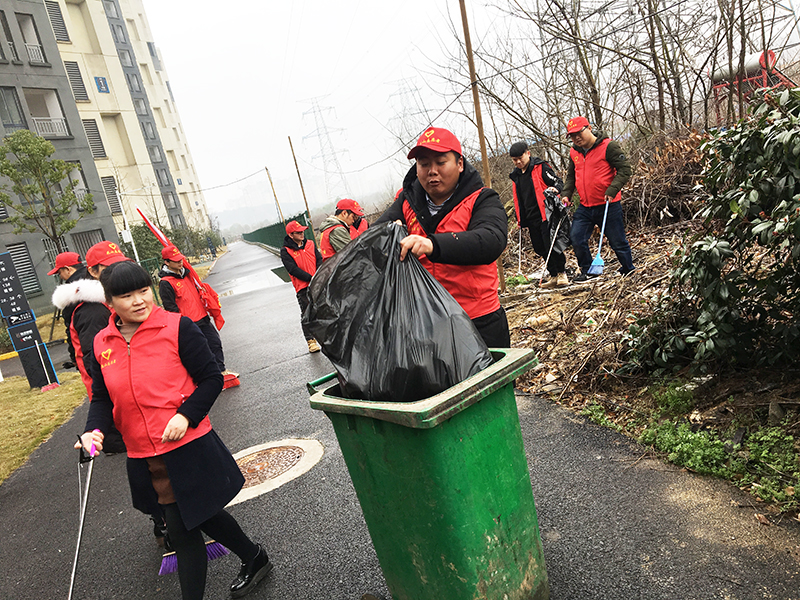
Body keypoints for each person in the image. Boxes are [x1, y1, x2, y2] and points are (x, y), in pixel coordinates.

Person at [76, 261, 271, 600]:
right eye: (127, 295)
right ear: (109, 302)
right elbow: (102, 398)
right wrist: (93, 431)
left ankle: (248, 562)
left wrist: (186, 415)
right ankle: (255, 556)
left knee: (182, 530)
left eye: (143, 290)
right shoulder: (101, 343)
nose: (139, 300)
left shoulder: (177, 328)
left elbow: (211, 378)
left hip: (187, 446)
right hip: (144, 454)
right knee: (203, 516)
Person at [375, 126, 510, 348]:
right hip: (426, 324)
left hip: (478, 320)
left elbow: (490, 240)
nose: (432, 171)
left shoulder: (482, 199)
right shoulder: (407, 203)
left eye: (440, 162)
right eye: (424, 164)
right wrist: (386, 235)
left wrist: (432, 245)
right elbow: (374, 237)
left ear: (460, 164)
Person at [560, 116, 635, 282]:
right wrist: (566, 194)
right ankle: (587, 271)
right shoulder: (574, 152)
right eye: (572, 136)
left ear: (589, 128)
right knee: (577, 238)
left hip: (608, 204)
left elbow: (625, 170)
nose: (576, 138)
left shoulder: (609, 146)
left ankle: (628, 269)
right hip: (585, 206)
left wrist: (612, 189)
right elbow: (571, 176)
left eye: (579, 133)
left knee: (617, 241)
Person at [159, 245, 228, 375]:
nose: (180, 262)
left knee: (215, 343)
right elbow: (171, 308)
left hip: (203, 317)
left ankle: (222, 372)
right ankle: (208, 376)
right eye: (176, 261)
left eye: (180, 259)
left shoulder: (189, 274)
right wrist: (181, 325)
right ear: (167, 262)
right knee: (200, 352)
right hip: (189, 324)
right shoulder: (166, 283)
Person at [508, 141, 569, 289]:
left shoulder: (540, 167)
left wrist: (556, 189)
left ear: (528, 153)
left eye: (520, 158)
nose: (518, 162)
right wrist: (519, 217)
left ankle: (562, 272)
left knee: (551, 245)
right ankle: (553, 275)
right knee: (539, 247)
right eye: (515, 160)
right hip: (530, 216)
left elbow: (557, 181)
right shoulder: (515, 176)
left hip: (545, 214)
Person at [280, 220, 323, 353]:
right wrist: (310, 278)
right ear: (291, 235)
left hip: (317, 283)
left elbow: (319, 259)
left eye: (302, 231)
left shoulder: (310, 244)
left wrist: (318, 275)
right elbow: (292, 269)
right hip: (303, 287)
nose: (302, 234)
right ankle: (311, 341)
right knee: (306, 313)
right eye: (298, 232)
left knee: (323, 309)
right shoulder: (286, 251)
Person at [48, 251, 88, 368]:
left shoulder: (72, 295)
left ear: (68, 269)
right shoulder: (95, 280)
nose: (60, 276)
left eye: (60, 272)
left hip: (87, 351)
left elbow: (72, 330)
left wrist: (75, 358)